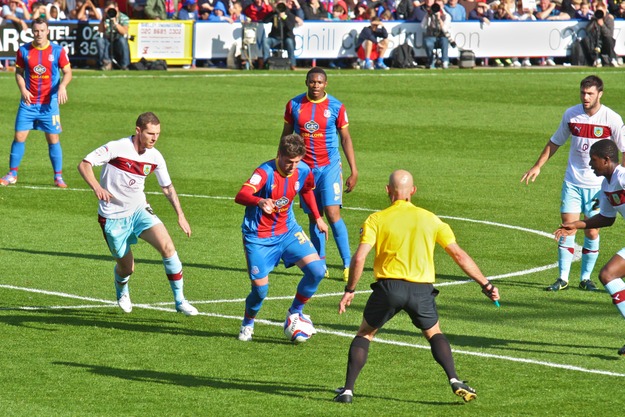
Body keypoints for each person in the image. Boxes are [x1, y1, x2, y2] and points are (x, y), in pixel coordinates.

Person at [333, 170, 500, 404]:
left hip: (389, 289)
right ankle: (454, 379)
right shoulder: (431, 219)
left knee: (365, 334)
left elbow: (360, 258)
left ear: (388, 190)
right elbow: (459, 255)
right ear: (413, 191)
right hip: (421, 291)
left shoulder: (376, 219)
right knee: (434, 334)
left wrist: (350, 290)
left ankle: (348, 391)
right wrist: (486, 284)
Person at [77, 112, 198, 316]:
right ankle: (122, 290)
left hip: (139, 211)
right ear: (138, 130)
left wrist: (181, 215)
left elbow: (167, 187)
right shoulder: (117, 147)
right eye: (150, 133)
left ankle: (180, 301)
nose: (154, 138)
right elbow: (84, 164)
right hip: (113, 217)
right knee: (127, 268)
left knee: (168, 248)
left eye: (158, 133)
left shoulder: (155, 156)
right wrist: (97, 187)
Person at [521, 75, 625, 292]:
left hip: (598, 186)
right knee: (567, 228)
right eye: (583, 93)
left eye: (590, 93)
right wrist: (537, 166)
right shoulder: (571, 114)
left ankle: (586, 278)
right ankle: (562, 278)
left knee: (592, 232)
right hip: (573, 181)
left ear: (600, 94)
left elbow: (624, 150)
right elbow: (555, 141)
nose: (585, 97)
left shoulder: (612, 119)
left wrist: (618, 178)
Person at [234, 133, 328, 342]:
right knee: (260, 291)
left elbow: (306, 190)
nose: (292, 166)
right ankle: (248, 322)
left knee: (317, 270)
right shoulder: (264, 172)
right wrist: (259, 201)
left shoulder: (303, 170)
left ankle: (295, 312)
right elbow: (240, 195)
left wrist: (317, 218)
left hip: (288, 231)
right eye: (288, 162)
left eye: (296, 162)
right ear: (279, 155)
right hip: (258, 237)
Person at [280, 67, 358, 282]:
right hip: (305, 169)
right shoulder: (294, 105)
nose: (316, 85)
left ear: (326, 84)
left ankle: (347, 264)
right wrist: (281, 163)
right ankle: (320, 263)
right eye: (312, 82)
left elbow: (346, 139)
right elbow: (286, 137)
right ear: (306, 82)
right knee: (315, 216)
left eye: (319, 82)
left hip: (329, 167)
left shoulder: (336, 106)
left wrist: (354, 170)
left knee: (332, 214)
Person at [554, 140, 625, 356]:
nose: (591, 164)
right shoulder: (606, 185)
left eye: (593, 160)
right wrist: (575, 225)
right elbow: (606, 219)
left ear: (606, 160)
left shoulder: (622, 176)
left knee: (608, 274)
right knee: (608, 275)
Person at [0, 18, 72, 188]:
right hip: (29, 102)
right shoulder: (24, 50)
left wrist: (63, 86)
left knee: (53, 138)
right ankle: (12, 174)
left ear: (48, 31)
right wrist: (23, 90)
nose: (39, 34)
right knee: (19, 136)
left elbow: (68, 72)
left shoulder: (58, 51)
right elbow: (18, 72)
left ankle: (58, 177)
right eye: (36, 31)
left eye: (42, 30)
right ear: (32, 31)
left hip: (49, 103)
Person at [262, 2, 299, 70]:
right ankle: (266, 63)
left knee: (289, 42)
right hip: (274, 39)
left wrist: (284, 17)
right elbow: (265, 20)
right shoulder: (274, 15)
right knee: (266, 41)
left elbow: (290, 27)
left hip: (286, 39)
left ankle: (292, 64)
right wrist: (272, 13)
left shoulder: (290, 15)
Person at [96, 0, 131, 71]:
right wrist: (103, 19)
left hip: (118, 39)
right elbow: (100, 31)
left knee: (122, 41)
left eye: (112, 9)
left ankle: (125, 65)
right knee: (100, 40)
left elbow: (124, 32)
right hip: (108, 38)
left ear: (117, 8)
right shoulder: (106, 18)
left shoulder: (124, 17)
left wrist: (115, 23)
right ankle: (106, 63)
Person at [422, 0, 455, 69]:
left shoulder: (447, 16)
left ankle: (445, 61)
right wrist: (427, 16)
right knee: (427, 42)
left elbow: (445, 29)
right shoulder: (429, 15)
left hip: (442, 36)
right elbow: (422, 26)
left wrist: (439, 19)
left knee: (444, 41)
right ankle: (431, 60)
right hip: (431, 36)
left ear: (443, 6)